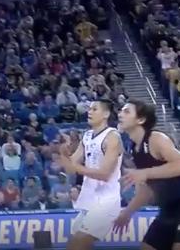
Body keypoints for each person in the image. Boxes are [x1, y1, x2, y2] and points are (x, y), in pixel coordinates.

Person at [113, 100, 180, 250]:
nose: (120, 114)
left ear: (141, 119)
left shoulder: (156, 138)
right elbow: (145, 191)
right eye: (121, 111)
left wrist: (145, 172)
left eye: (126, 111)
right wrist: (127, 212)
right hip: (168, 211)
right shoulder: (134, 149)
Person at [57, 100, 123, 250]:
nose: (89, 112)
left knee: (78, 243)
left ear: (106, 114)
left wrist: (77, 167)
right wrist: (63, 152)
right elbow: (70, 169)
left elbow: (105, 174)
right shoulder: (87, 136)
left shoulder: (112, 136)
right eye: (89, 109)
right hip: (89, 199)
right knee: (76, 244)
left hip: (106, 200)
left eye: (94, 109)